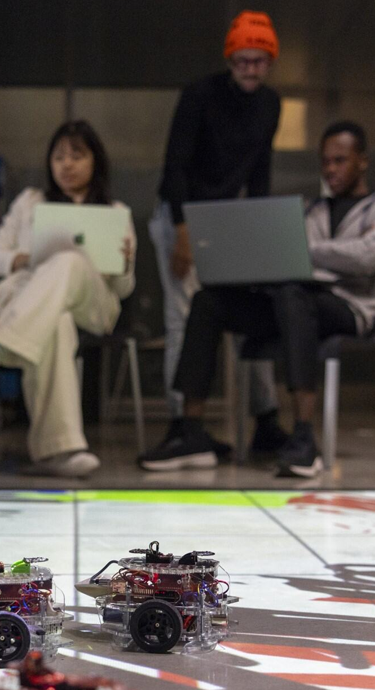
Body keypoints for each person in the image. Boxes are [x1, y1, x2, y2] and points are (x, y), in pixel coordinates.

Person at [138, 121, 375, 478]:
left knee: (294, 294)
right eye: (325, 162)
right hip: (294, 300)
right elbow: (301, 258)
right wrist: (317, 256)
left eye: (340, 160)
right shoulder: (312, 211)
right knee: (209, 301)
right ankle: (190, 431)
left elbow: (369, 256)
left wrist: (308, 252)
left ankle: (302, 437)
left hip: (350, 308)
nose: (331, 169)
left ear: (363, 161)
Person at [0, 121, 135, 478]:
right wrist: (26, 259)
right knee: (56, 322)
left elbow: (123, 290)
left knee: (69, 261)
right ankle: (59, 451)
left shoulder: (114, 212)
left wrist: (124, 265)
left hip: (93, 303)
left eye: (77, 155)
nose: (66, 164)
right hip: (30, 296)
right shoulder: (30, 202)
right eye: (58, 156)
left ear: (96, 161)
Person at [148, 9, 288, 458]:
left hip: (231, 219)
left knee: (248, 310)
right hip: (181, 214)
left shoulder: (271, 104)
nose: (250, 69)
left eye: (259, 61)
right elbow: (175, 166)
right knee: (184, 316)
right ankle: (182, 424)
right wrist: (183, 231)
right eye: (242, 60)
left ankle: (266, 419)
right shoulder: (200, 95)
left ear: (269, 63)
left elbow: (260, 169)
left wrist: (262, 227)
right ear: (230, 60)